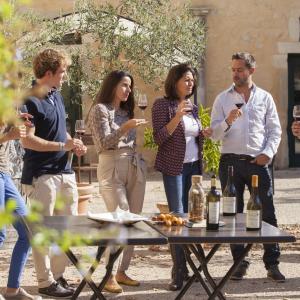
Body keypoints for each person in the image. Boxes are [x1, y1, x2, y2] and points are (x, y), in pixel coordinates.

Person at [210, 52, 285, 282]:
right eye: (233, 69)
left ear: (251, 70)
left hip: (257, 163)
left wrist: (267, 153)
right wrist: (229, 120)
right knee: (233, 215)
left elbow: (275, 130)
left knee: (268, 213)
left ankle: (272, 264)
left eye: (240, 70)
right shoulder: (223, 99)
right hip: (230, 163)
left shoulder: (265, 98)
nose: (235, 74)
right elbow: (214, 135)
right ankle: (239, 263)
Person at [20, 49, 87, 298]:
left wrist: (73, 143)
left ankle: (58, 277)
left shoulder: (57, 96)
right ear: (48, 73)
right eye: (62, 71)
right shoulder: (28, 99)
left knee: (67, 229)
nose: (65, 76)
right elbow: (27, 141)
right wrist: (62, 146)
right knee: (43, 231)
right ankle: (44, 282)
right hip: (41, 176)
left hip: (65, 172)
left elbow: (61, 134)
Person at [151, 63, 212, 291]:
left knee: (192, 218)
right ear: (174, 81)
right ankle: (178, 271)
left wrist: (203, 133)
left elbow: (192, 136)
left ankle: (191, 268)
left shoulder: (193, 107)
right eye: (186, 79)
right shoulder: (162, 105)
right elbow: (159, 138)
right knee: (176, 219)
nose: (190, 83)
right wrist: (177, 115)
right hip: (174, 169)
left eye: (192, 80)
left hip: (193, 169)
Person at [88, 70, 147, 293]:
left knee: (132, 219)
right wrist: (126, 127)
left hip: (133, 164)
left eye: (130, 86)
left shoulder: (125, 111)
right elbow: (103, 143)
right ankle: (108, 274)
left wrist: (128, 126)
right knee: (119, 215)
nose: (128, 90)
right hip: (111, 164)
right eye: (124, 85)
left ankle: (122, 271)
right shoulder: (100, 110)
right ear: (112, 85)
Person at [0, 121, 41, 300]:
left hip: (5, 173)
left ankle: (12, 290)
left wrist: (16, 123)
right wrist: (9, 135)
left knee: (28, 230)